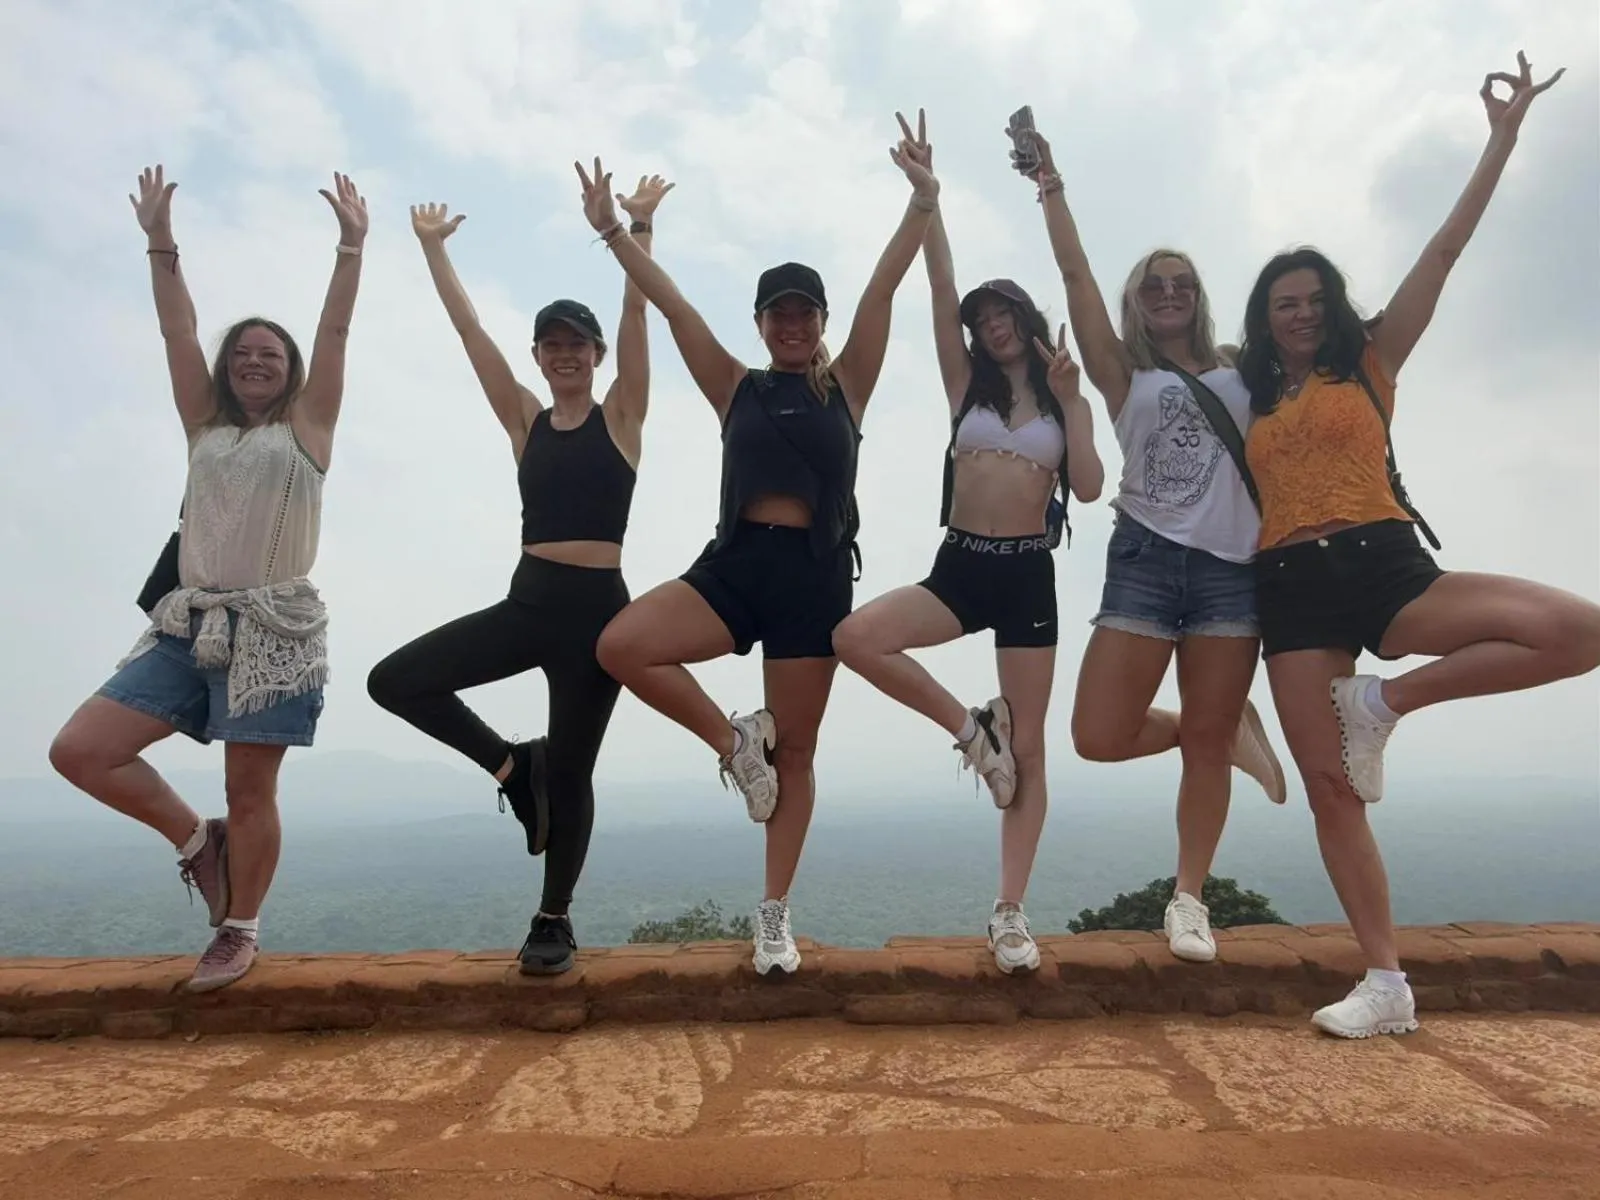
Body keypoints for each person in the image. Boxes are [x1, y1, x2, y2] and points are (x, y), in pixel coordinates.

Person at [1238, 54, 1599, 1039]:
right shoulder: (1249, 397)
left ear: (1335, 305)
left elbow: (1441, 253)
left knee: (1576, 632)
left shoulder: (1375, 360)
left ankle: (1384, 701)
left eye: (1313, 297)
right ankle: (1386, 985)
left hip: (1386, 563)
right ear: (1265, 323)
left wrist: (1502, 139)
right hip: (1288, 588)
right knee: (1330, 789)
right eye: (1284, 302)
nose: (1302, 311)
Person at [581, 111, 940, 977]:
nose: (792, 324)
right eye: (778, 313)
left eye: (804, 311)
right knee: (622, 644)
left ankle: (773, 916)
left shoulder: (847, 384)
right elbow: (672, 305)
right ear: (761, 320)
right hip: (737, 565)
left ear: (819, 318)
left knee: (802, 751)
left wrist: (922, 205)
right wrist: (613, 233)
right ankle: (732, 744)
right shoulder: (734, 385)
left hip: (815, 579)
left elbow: (884, 291)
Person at [47, 165, 368, 992]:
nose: (254, 360)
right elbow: (176, 333)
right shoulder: (203, 426)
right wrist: (160, 242)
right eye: (243, 352)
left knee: (249, 784)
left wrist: (350, 247)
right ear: (227, 368)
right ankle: (200, 844)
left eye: (271, 353)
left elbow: (333, 335)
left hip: (273, 628)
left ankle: (239, 929)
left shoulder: (308, 427)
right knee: (83, 750)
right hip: (189, 623)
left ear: (290, 370)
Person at [365, 174, 673, 976]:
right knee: (396, 680)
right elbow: (469, 333)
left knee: (573, 771)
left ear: (598, 357)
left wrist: (638, 231)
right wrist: (434, 252)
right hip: (529, 602)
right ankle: (511, 766)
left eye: (579, 343)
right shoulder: (524, 421)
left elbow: (641, 312)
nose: (566, 353)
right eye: (552, 344)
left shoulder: (624, 416)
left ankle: (553, 916)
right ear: (539, 356)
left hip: (600, 619)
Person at [831, 116, 1103, 976]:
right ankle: (966, 728)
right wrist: (928, 198)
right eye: (980, 320)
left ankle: (1011, 913)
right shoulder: (965, 390)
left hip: (1028, 576)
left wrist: (1077, 398)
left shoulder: (1062, 397)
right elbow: (939, 275)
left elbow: (1090, 487)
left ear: (1025, 318)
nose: (991, 327)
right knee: (855, 637)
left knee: (1032, 753)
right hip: (959, 566)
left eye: (1002, 315)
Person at [1019, 124, 1288, 965]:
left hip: (1230, 573)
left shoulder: (1245, 370)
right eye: (1153, 284)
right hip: (1142, 559)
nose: (1167, 293)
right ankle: (1217, 725)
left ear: (1200, 296)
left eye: (1182, 283)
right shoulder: (1122, 374)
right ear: (1138, 300)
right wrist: (1051, 184)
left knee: (1203, 751)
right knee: (1098, 734)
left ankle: (1188, 899)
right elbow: (1074, 275)